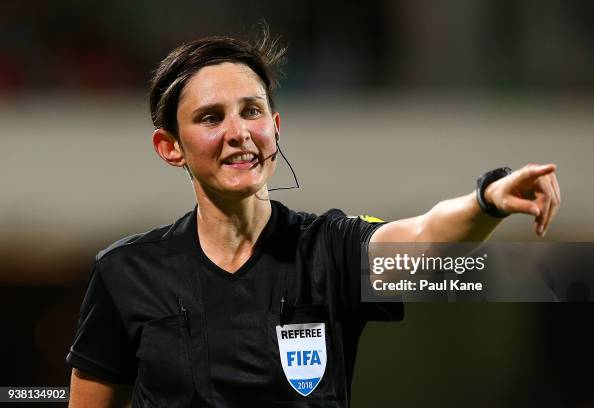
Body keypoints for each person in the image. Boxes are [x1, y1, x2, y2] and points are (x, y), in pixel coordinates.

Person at [66, 29, 561, 408]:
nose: (239, 133)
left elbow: (426, 237)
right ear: (170, 147)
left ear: (275, 128)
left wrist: (487, 198)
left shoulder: (330, 249)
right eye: (212, 118)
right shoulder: (125, 272)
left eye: (252, 111)